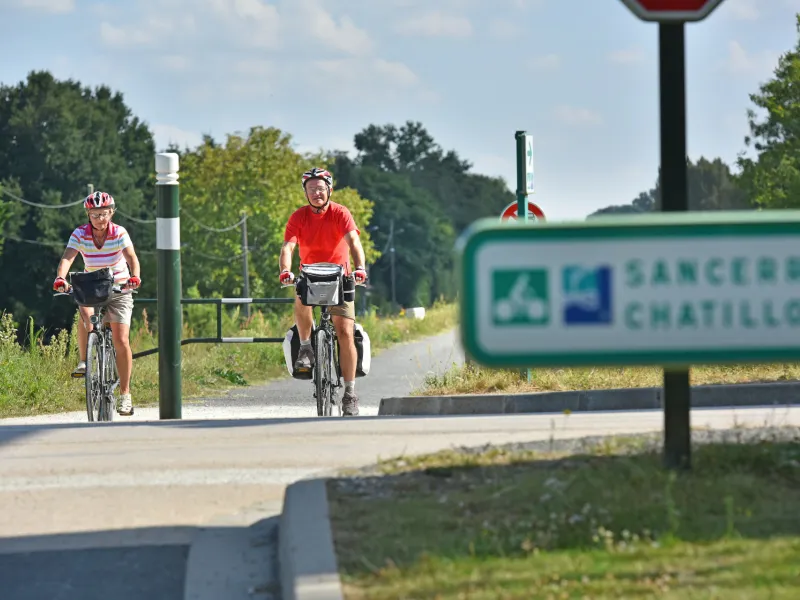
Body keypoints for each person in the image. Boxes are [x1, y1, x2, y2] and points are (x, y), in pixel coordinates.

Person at [279, 167, 368, 416]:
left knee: (344, 331)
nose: (316, 193)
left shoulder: (341, 213)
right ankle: (306, 347)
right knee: (300, 300)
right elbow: (288, 246)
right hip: (310, 274)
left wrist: (360, 268)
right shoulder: (298, 217)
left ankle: (350, 393)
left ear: (329, 189)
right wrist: (285, 270)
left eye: (320, 188)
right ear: (305, 193)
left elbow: (354, 241)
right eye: (311, 189)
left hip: (339, 276)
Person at [53, 191, 141, 416]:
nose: (100, 219)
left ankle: (125, 394)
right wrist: (61, 278)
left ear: (111, 213)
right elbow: (68, 257)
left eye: (104, 214)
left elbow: (131, 257)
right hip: (92, 284)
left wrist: (135, 276)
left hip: (119, 285)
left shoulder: (119, 232)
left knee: (121, 339)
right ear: (88, 215)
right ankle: (84, 361)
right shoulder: (80, 234)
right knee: (86, 315)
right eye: (95, 214)